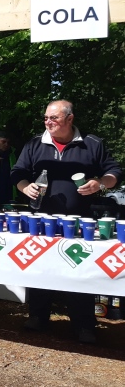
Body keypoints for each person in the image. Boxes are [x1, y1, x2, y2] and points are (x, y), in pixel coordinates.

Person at [10, 100, 121, 344]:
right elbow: (18, 172)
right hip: (41, 221)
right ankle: (38, 316)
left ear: (70, 119)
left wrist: (100, 183)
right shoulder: (35, 144)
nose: (48, 122)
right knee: (40, 268)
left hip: (80, 222)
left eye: (54, 118)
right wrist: (25, 187)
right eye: (46, 118)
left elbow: (115, 172)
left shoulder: (92, 144)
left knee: (79, 271)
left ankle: (84, 325)